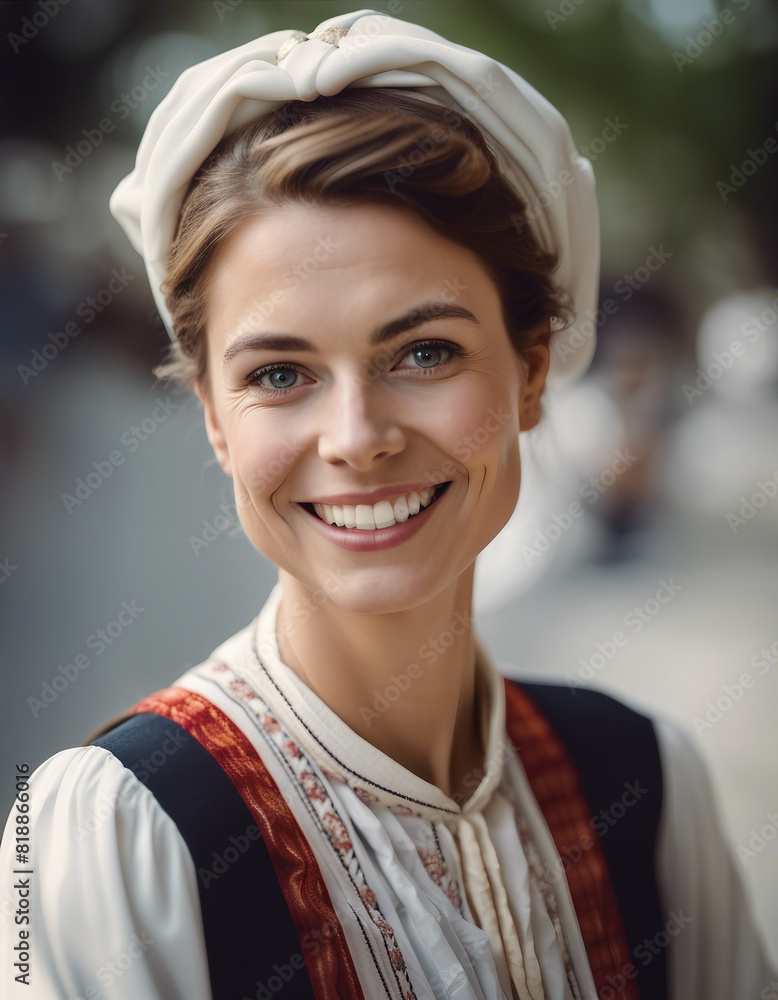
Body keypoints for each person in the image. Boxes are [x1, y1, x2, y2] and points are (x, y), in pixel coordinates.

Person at [0, 9, 774, 1000]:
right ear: (213, 418)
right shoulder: (112, 832)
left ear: (532, 372)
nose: (357, 436)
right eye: (280, 372)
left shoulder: (646, 778)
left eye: (423, 351)